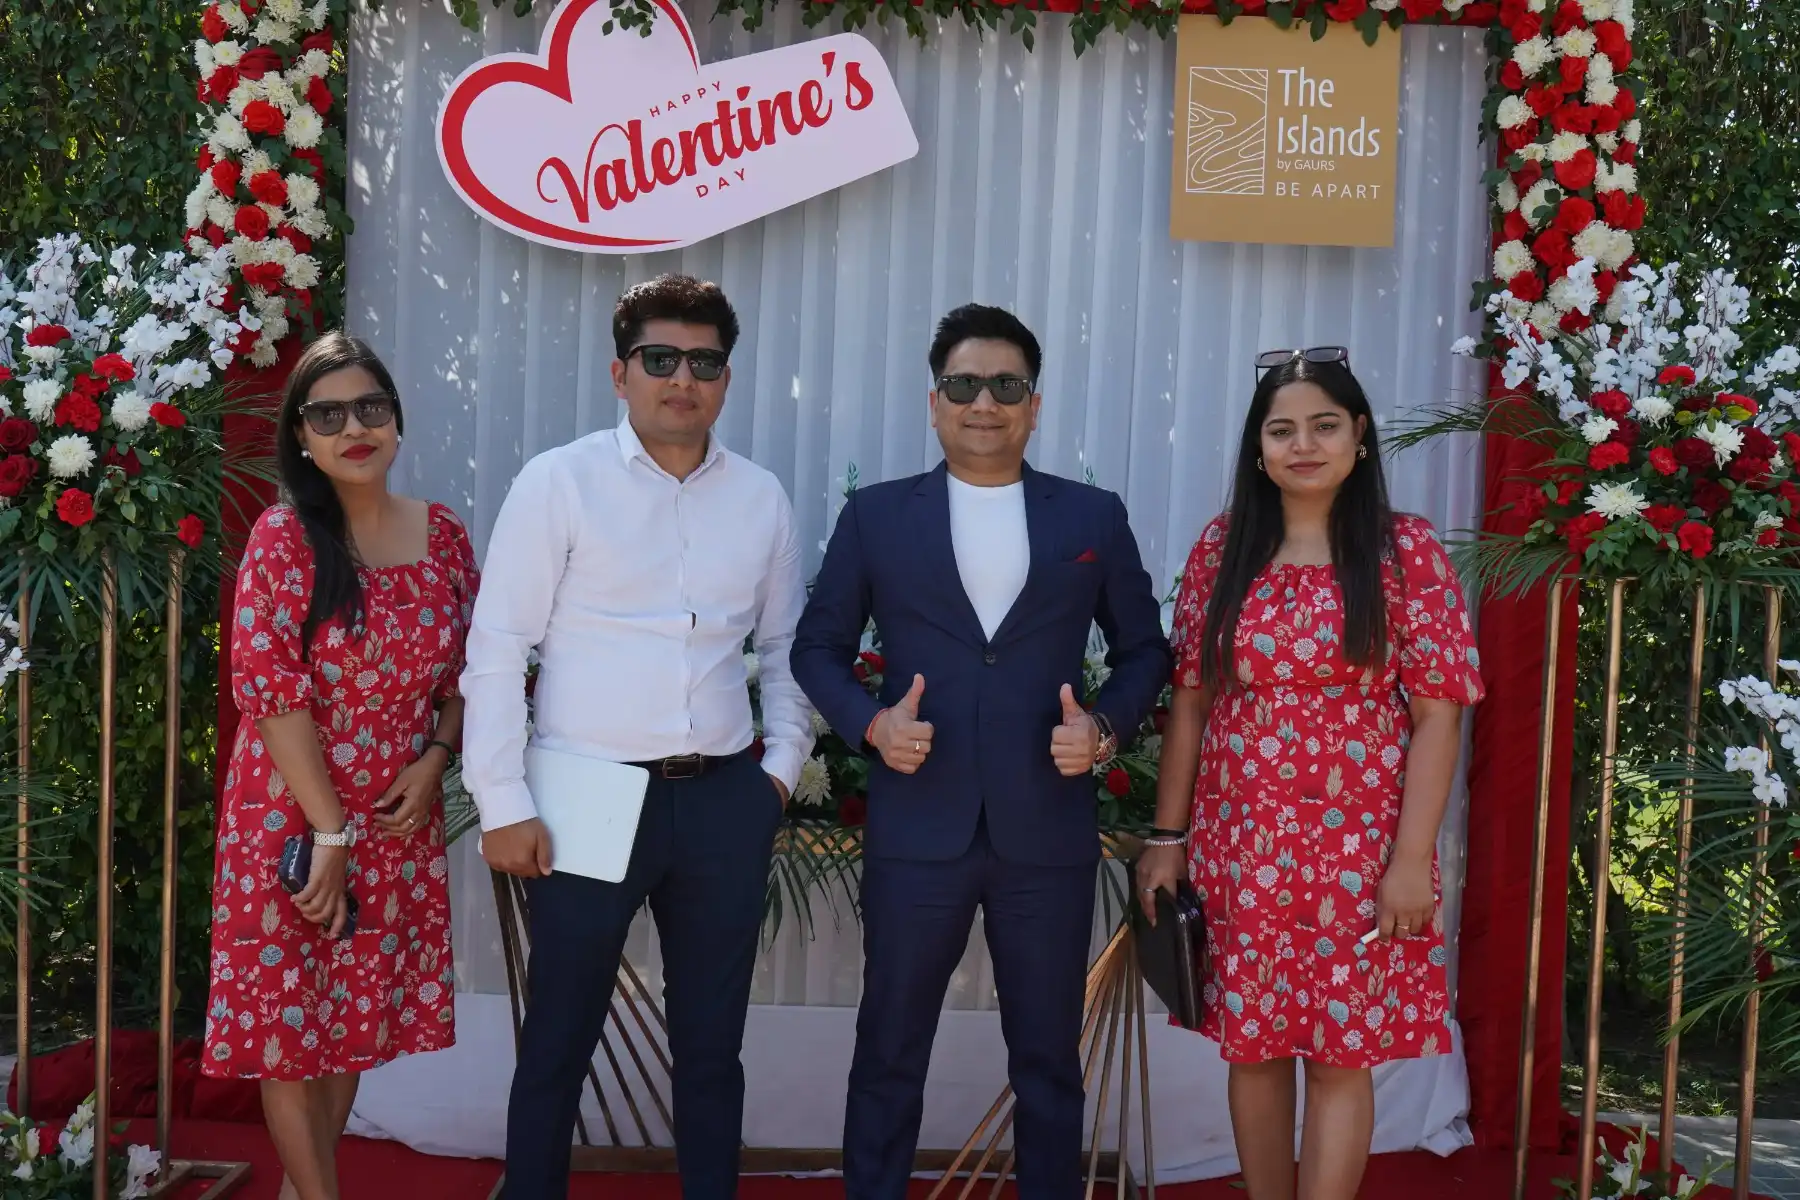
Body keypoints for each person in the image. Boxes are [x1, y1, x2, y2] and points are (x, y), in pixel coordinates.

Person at [792, 304, 1170, 1200]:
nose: (984, 402)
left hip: (1046, 829)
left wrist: (1103, 730)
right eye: (964, 384)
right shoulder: (878, 515)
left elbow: (1146, 652)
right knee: (889, 1048)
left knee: (1048, 1057)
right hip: (918, 824)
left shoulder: (1092, 515)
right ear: (935, 403)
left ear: (1034, 405)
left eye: (1007, 385)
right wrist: (872, 725)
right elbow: (817, 648)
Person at [460, 274, 814, 1199]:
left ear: (726, 378)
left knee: (712, 1047)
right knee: (558, 1042)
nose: (681, 378)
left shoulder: (762, 499)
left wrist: (777, 772)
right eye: (660, 359)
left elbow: (785, 650)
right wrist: (502, 801)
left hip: (723, 799)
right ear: (621, 374)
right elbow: (497, 648)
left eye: (704, 362)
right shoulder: (560, 482)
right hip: (587, 797)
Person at [1136, 349, 1485, 1200]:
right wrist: (1166, 839)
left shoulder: (1405, 552)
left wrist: (1411, 861)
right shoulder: (1224, 549)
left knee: (1339, 1057)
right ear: (1258, 450)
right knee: (1253, 1052)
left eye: (1324, 425)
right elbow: (1191, 704)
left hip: (1360, 856)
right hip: (1243, 848)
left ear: (1359, 436)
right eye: (1281, 429)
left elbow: (1439, 714)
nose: (1303, 445)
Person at [204, 332, 478, 1200]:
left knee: (347, 1020)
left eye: (370, 408)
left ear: (396, 421)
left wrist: (436, 758)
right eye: (327, 415)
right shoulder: (283, 538)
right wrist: (328, 831)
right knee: (287, 1031)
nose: (353, 428)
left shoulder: (443, 535)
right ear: (302, 436)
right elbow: (268, 691)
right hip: (291, 814)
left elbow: (473, 674)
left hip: (395, 814)